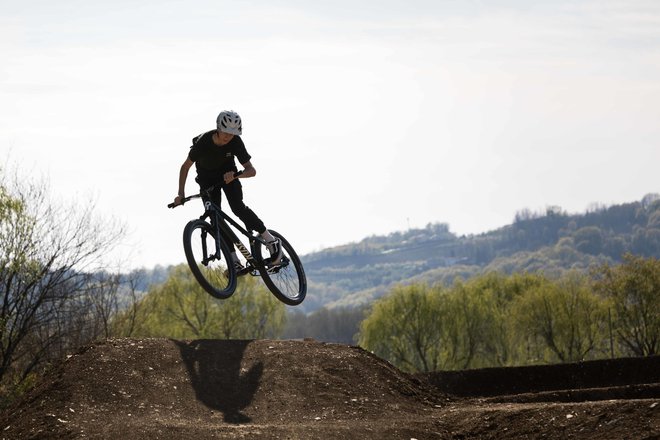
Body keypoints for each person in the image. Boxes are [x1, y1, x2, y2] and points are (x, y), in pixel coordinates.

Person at [172, 110, 281, 269]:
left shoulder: (236, 142)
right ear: (218, 128)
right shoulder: (203, 142)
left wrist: (236, 176)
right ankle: (234, 261)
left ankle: (270, 239)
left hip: (228, 176)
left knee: (237, 208)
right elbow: (185, 167)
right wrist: (180, 194)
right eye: (226, 133)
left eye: (232, 134)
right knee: (216, 219)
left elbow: (252, 171)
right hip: (207, 181)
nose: (228, 137)